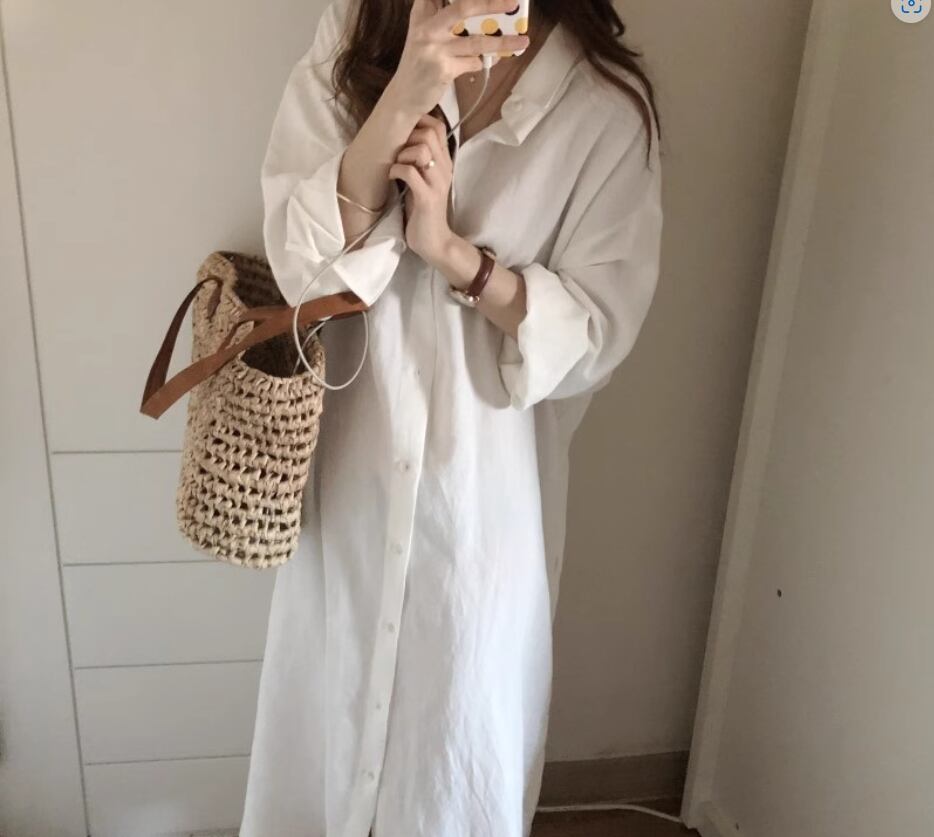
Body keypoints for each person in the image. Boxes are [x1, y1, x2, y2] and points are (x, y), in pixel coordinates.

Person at [240, 0, 663, 834]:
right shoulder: (358, 29)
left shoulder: (600, 109)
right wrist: (404, 91)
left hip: (480, 515)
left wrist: (454, 255)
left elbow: (595, 339)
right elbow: (300, 266)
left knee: (455, 759)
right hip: (349, 486)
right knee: (323, 737)